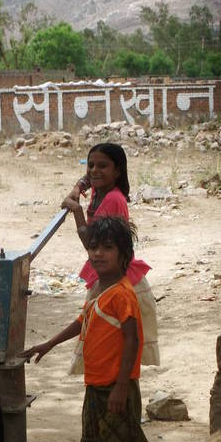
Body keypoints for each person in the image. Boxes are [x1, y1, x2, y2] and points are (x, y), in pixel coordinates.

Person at [21, 216, 155, 442]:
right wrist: (48, 343)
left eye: (107, 248)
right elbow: (82, 322)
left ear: (125, 254)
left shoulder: (123, 294)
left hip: (116, 386)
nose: (97, 254)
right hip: (97, 384)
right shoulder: (100, 289)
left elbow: (132, 340)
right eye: (93, 247)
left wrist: (122, 385)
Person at [62, 142, 160, 367]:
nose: (95, 171)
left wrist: (76, 209)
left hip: (117, 278)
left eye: (102, 166)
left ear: (117, 171)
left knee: (112, 342)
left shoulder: (113, 199)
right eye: (91, 165)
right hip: (108, 274)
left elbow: (91, 243)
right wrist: (79, 187)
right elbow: (89, 178)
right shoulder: (99, 189)